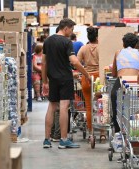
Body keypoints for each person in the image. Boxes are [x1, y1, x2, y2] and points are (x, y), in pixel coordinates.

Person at [42, 18, 90, 149]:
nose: (71, 32)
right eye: (72, 29)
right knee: (64, 107)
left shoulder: (47, 41)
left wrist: (44, 81)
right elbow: (74, 61)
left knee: (51, 107)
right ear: (66, 28)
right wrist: (86, 74)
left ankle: (47, 139)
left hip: (52, 78)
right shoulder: (66, 42)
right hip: (65, 78)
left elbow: (44, 62)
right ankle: (63, 139)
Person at [111, 33, 139, 134]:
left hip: (122, 81)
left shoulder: (118, 52)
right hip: (136, 81)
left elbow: (114, 73)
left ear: (123, 43)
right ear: (136, 44)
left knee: (114, 96)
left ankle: (117, 128)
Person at [77, 26, 99, 135]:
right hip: (100, 79)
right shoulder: (102, 48)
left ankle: (91, 131)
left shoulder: (83, 48)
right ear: (98, 36)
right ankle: (103, 132)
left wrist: (83, 71)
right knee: (102, 105)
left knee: (89, 106)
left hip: (87, 78)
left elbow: (76, 62)